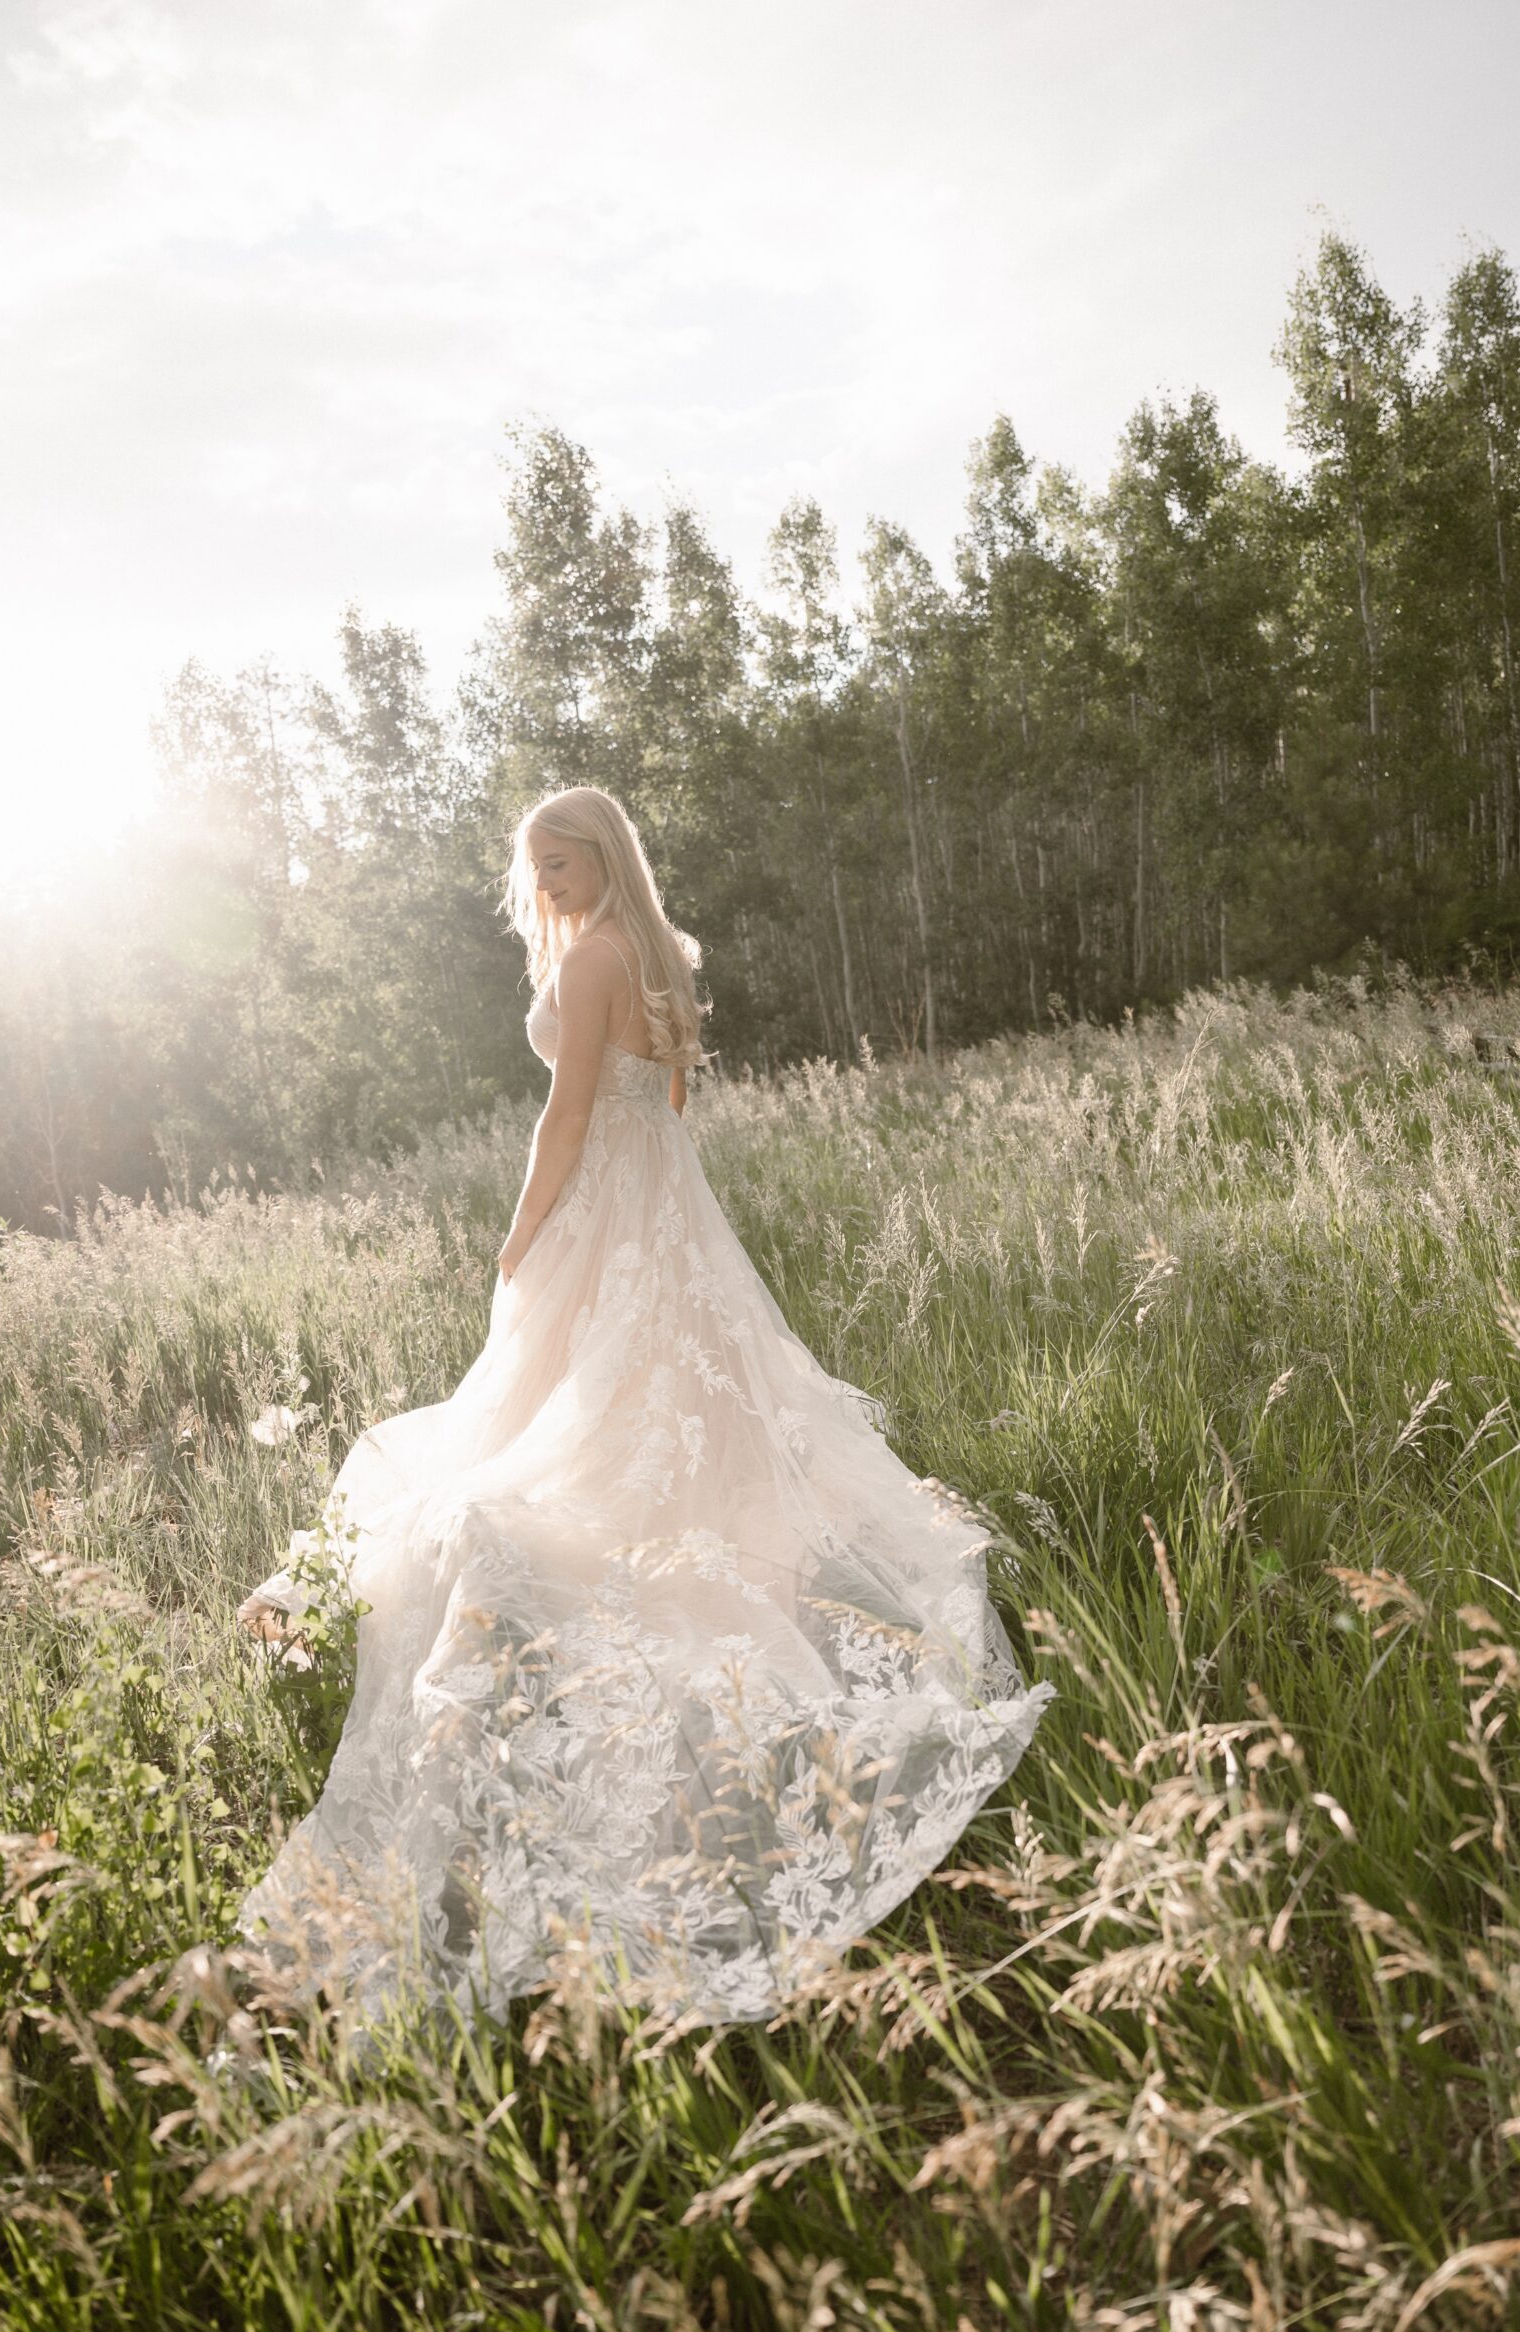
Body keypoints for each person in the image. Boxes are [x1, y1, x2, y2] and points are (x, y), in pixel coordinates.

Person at [233, 786, 1052, 2033]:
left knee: (546, 1418)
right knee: (637, 1403)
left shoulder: (606, 950)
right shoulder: (652, 947)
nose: (548, 886)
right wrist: (648, 1202)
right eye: (537, 870)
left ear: (603, 856)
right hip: (660, 1203)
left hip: (611, 1206)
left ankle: (605, 1583)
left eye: (562, 864)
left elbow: (568, 1113)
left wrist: (526, 1231)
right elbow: (665, 1100)